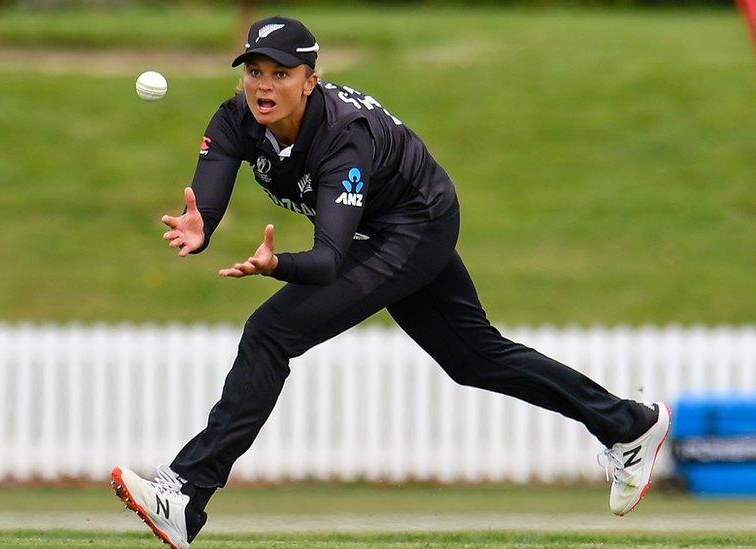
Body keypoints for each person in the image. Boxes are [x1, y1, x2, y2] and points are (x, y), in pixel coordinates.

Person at [111, 16, 671, 549]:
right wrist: (199, 225)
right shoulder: (235, 119)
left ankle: (186, 493)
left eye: (281, 73)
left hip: (416, 222)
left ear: (311, 80)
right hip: (383, 227)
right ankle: (627, 426)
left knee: (270, 333)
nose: (264, 85)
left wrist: (278, 266)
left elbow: (329, 260)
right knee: (475, 357)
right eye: (255, 71)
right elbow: (206, 198)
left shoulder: (341, 139)